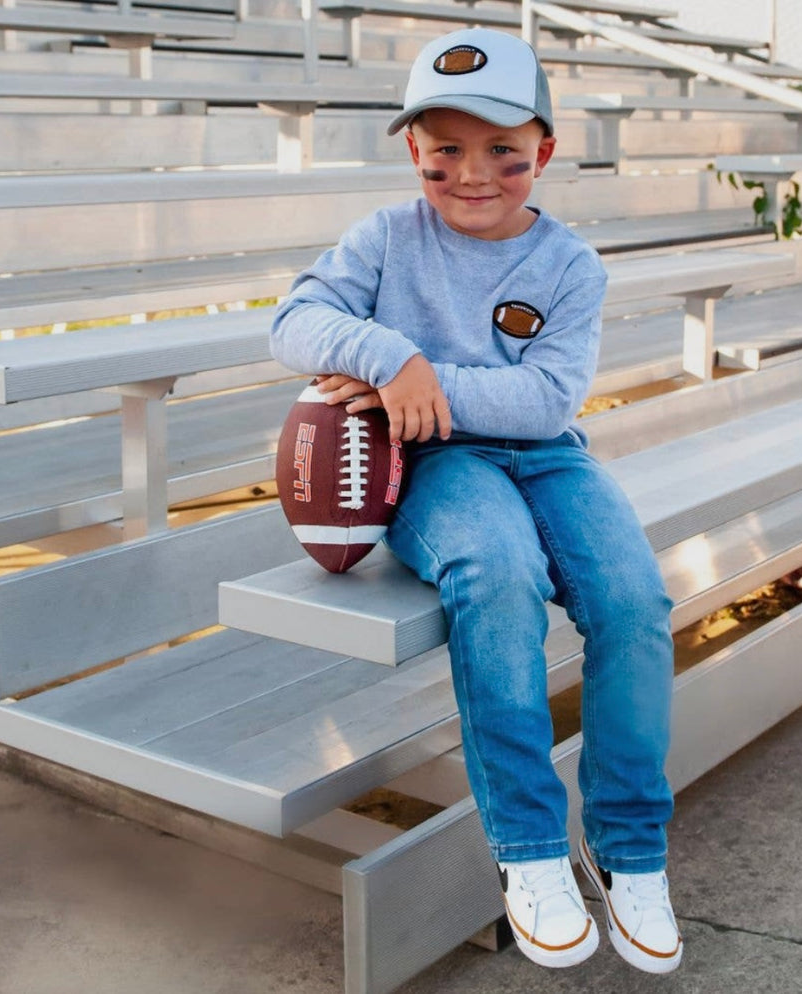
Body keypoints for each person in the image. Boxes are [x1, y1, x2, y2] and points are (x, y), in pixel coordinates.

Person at [270, 27, 682, 974]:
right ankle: (530, 849)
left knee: (633, 603)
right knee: (497, 577)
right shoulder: (384, 238)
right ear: (412, 149)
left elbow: (546, 402)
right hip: (434, 466)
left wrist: (427, 387)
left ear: (544, 148)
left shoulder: (571, 264)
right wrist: (392, 363)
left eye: (502, 148)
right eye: (445, 149)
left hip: (548, 458)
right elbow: (295, 321)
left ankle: (629, 849)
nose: (474, 173)